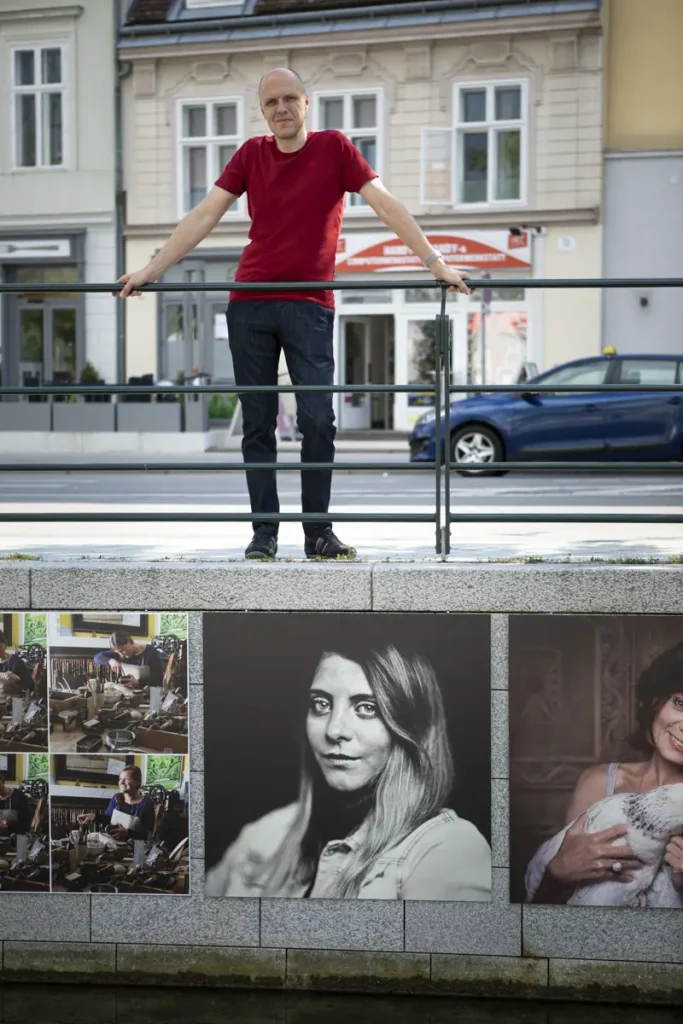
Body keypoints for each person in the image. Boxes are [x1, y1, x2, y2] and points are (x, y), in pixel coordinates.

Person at [116, 67, 471, 561]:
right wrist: (151, 269)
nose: (280, 109)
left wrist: (435, 262)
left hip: (309, 305)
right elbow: (204, 214)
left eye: (289, 99)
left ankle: (317, 533)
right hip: (250, 304)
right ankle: (264, 533)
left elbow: (386, 206)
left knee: (318, 419)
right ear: (263, 112)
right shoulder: (250, 155)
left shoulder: (335, 148)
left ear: (306, 104)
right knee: (258, 425)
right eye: (270, 103)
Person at [205, 645, 491, 900]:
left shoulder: (448, 850)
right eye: (321, 704)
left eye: (366, 707)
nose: (334, 730)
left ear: (411, 727)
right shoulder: (264, 834)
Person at [525, 641, 683, 906]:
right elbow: (547, 918)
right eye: (680, 703)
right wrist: (557, 875)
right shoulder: (599, 784)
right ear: (655, 702)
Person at [77, 765, 155, 841]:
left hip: (135, 849)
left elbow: (148, 835)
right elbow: (108, 818)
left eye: (126, 779)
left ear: (137, 782)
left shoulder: (146, 805)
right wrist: (94, 817)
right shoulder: (116, 798)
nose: (121, 782)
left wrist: (128, 833)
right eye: (120, 779)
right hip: (114, 845)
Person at [93, 632, 163, 689]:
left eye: (123, 651)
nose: (121, 655)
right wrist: (111, 661)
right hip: (129, 693)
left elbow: (157, 680)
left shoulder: (151, 652)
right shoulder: (119, 652)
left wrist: (138, 683)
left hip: (149, 693)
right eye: (118, 653)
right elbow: (97, 657)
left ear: (128, 641)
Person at [0, 630, 33, 695]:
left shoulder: (16, 662)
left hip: (12, 702)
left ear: (4, 645)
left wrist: (19, 679)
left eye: (0, 646)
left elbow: (31, 686)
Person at [0, 772, 31, 836]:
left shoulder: (18, 796)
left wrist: (8, 827)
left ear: (2, 782)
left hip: (17, 836)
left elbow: (26, 822)